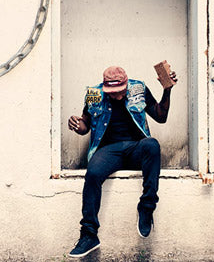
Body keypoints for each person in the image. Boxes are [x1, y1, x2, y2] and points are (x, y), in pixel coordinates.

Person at [67, 65, 177, 258]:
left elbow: (161, 117)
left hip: (136, 148)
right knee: (92, 173)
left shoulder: (138, 88)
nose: (118, 96)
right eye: (113, 92)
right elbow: (85, 124)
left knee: (152, 145)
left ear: (126, 83)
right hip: (108, 151)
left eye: (121, 91)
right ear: (105, 87)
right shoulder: (94, 94)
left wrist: (167, 90)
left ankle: (147, 208)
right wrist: (78, 124)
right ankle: (89, 235)